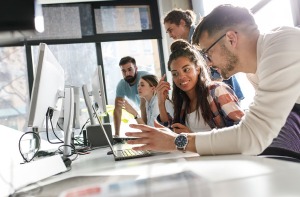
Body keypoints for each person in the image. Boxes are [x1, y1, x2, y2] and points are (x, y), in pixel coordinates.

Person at [125, 4, 300, 156]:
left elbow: (253, 135)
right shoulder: (254, 72)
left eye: (208, 53)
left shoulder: (283, 45)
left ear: (231, 38)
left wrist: (177, 141)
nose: (208, 62)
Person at [155, 40, 244, 134]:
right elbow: (170, 134)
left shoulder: (217, 91)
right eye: (175, 74)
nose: (181, 77)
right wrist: (161, 102)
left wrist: (193, 137)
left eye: (186, 69)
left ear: (197, 69)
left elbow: (241, 130)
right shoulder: (183, 104)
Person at [163, 8, 245, 102]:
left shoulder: (201, 38)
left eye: (170, 30)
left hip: (224, 93)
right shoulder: (189, 44)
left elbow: (217, 69)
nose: (170, 35)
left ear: (182, 23)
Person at [113, 56, 150, 136]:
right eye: (123, 71)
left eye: (130, 69)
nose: (127, 73)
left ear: (136, 68)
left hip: (154, 112)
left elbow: (143, 106)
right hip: (142, 114)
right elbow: (117, 110)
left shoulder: (144, 78)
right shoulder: (122, 85)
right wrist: (117, 135)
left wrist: (145, 131)